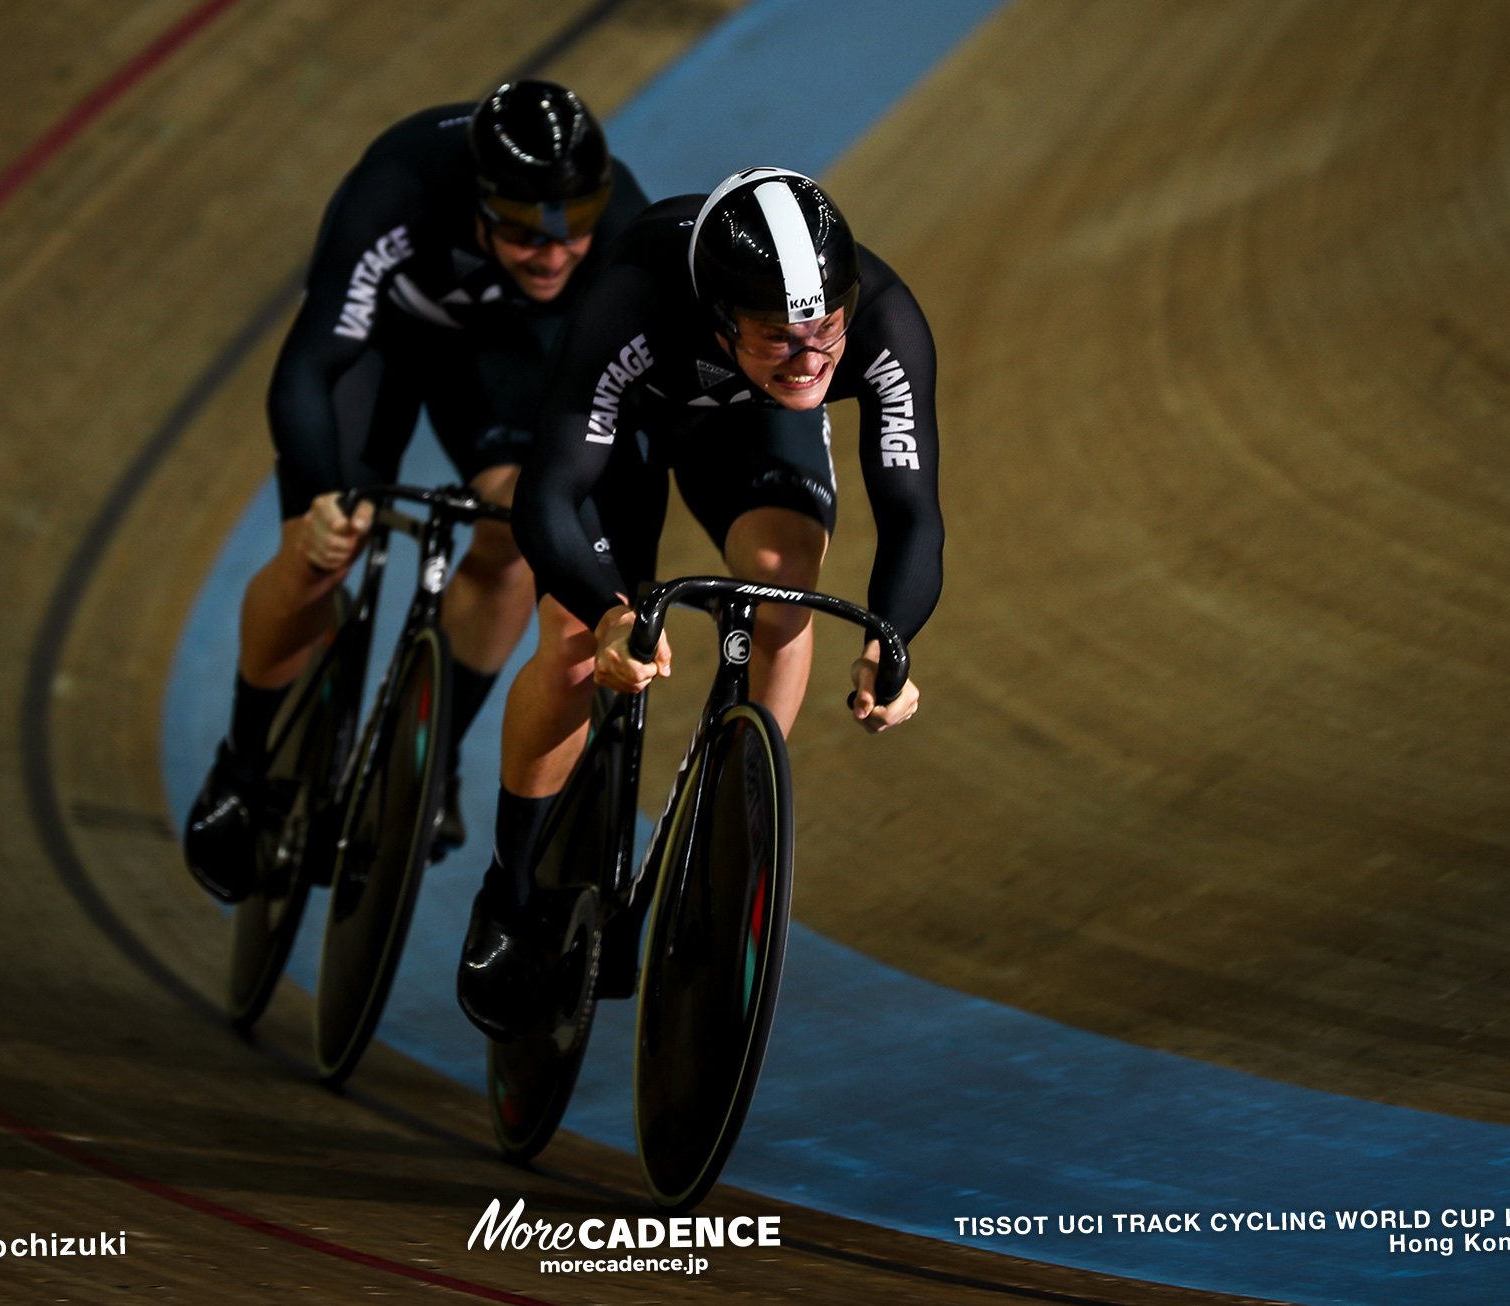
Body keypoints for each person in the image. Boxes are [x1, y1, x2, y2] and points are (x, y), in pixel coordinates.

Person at [457, 167, 945, 1038]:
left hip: (748, 425)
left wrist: (893, 641)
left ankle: (731, 825)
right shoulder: (635, 297)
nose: (811, 361)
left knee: (783, 585)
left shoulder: (883, 322)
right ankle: (510, 888)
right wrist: (608, 610)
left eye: (825, 332)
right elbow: (549, 497)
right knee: (573, 640)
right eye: (777, 338)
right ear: (721, 320)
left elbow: (913, 515)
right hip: (629, 429)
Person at [184, 81, 647, 903]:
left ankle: (433, 766)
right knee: (322, 552)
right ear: (475, 201)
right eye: (522, 232)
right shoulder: (398, 188)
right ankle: (242, 770)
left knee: (511, 530)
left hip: (504, 354)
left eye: (571, 230)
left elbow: (616, 415)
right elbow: (308, 366)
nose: (550, 253)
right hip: (383, 345)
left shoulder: (617, 227)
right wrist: (323, 497)